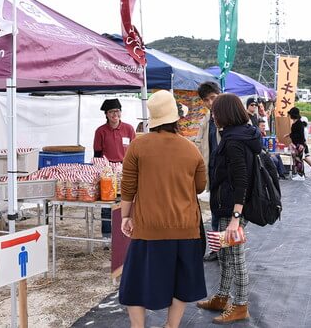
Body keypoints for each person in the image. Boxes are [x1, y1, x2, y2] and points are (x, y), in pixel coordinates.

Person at [119, 90, 207, 328]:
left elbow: (128, 187)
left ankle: (138, 327)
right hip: (186, 227)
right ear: (176, 117)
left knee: (135, 282)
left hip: (148, 227)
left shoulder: (138, 146)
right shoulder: (191, 149)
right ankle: (171, 325)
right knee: (182, 281)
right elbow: (200, 187)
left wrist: (126, 216)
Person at [197, 93, 261, 324]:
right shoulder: (238, 135)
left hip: (232, 210)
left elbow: (241, 181)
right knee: (223, 253)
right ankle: (222, 297)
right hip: (224, 207)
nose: (213, 116)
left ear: (225, 114)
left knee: (235, 257)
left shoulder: (234, 141)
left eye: (215, 112)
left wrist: (236, 217)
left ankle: (241, 305)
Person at [93, 98, 136, 239]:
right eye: (111, 112)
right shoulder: (100, 131)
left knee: (125, 201)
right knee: (106, 204)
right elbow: (97, 154)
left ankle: (125, 234)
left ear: (121, 112)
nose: (114, 114)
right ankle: (106, 235)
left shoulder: (128, 129)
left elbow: (134, 149)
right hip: (107, 172)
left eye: (117, 111)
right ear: (106, 114)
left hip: (125, 170)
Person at [196, 81, 221, 262]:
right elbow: (198, 145)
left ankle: (228, 250)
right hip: (212, 173)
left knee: (228, 215)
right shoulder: (205, 120)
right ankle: (216, 249)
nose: (211, 102)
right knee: (215, 213)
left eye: (213, 98)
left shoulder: (230, 117)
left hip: (228, 174)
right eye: (207, 100)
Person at [286, 107, 311, 180]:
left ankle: (300, 175)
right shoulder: (296, 123)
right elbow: (295, 134)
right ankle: (300, 174)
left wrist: (301, 144)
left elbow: (301, 136)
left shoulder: (298, 124)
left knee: (299, 160)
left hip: (299, 144)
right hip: (297, 144)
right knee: (298, 160)